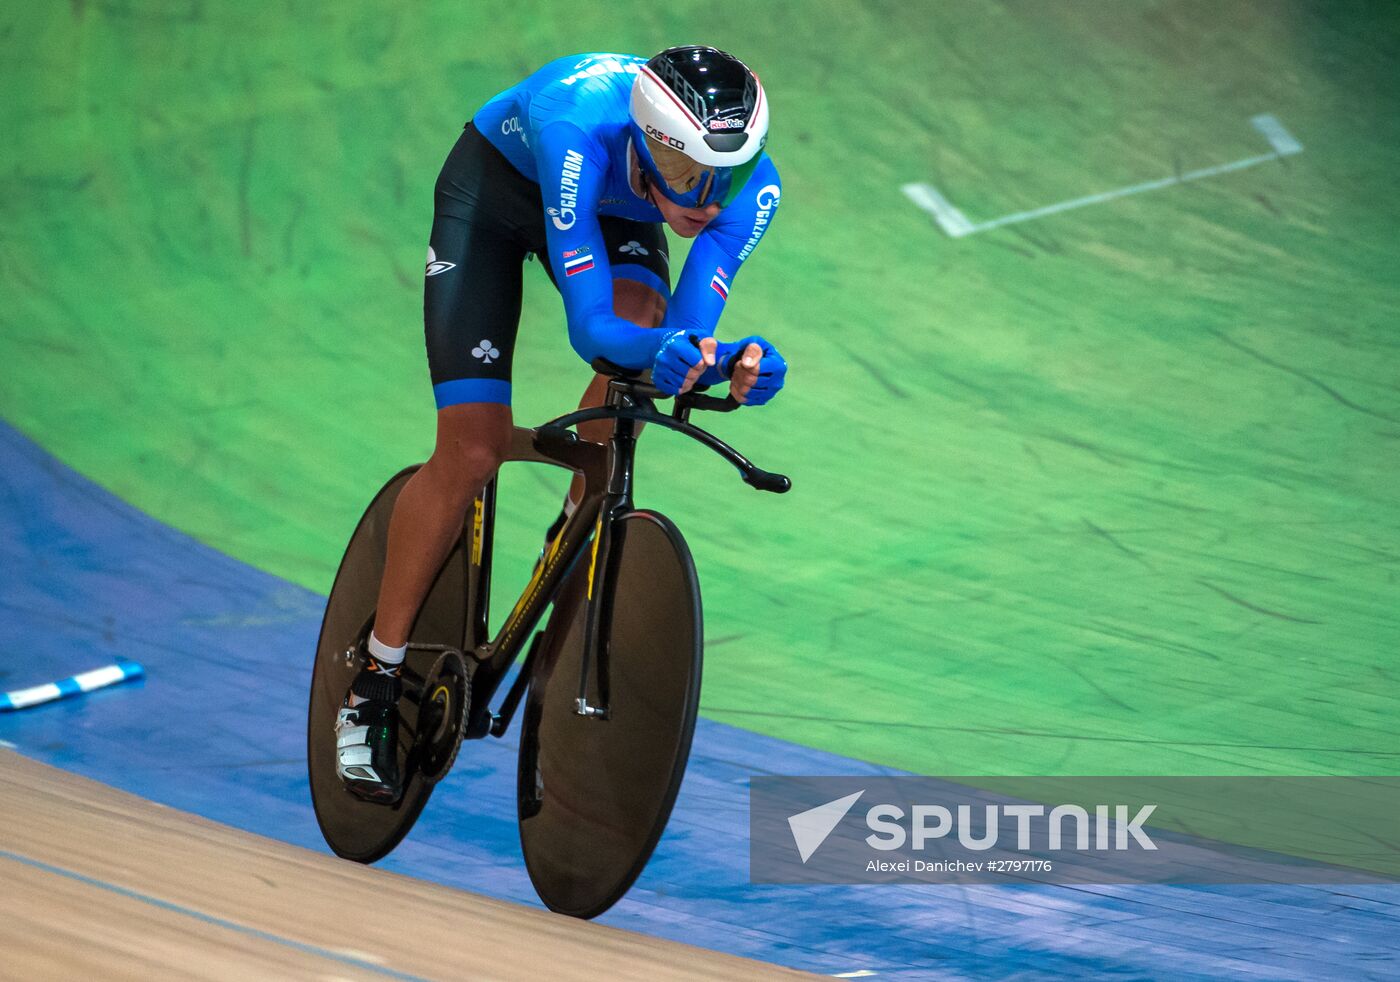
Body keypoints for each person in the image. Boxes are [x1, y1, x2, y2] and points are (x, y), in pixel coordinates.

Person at [334, 47, 788, 802]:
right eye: (688, 177)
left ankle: (574, 525)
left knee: (644, 342)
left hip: (613, 212)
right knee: (475, 447)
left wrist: (738, 364)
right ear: (647, 141)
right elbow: (593, 331)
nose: (708, 201)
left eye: (728, 175)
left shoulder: (749, 191)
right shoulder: (574, 124)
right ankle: (374, 681)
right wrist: (674, 354)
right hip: (496, 195)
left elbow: (685, 335)